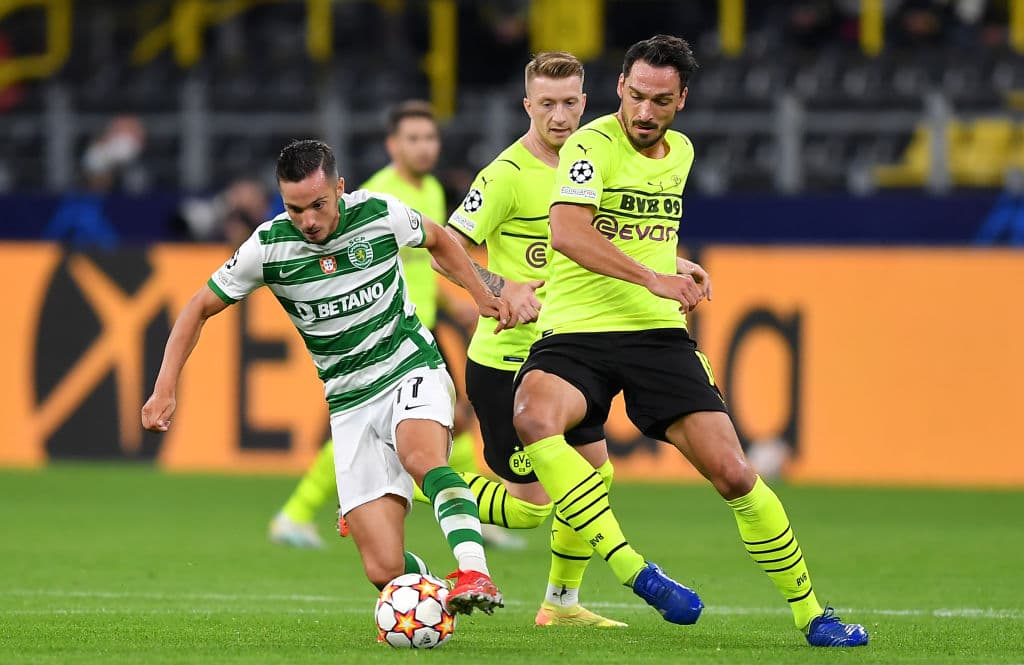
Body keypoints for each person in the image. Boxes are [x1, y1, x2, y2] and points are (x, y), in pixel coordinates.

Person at [510, 35, 869, 647]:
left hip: (655, 336)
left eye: (662, 101)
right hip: (576, 332)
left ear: (683, 100)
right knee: (533, 416)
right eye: (638, 96)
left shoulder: (681, 153)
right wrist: (655, 276)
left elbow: (627, 226)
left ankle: (813, 614)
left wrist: (670, 261)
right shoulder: (590, 144)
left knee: (733, 473)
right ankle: (632, 570)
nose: (646, 113)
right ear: (620, 87)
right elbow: (570, 232)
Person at [142, 139, 510, 614]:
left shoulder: (380, 214)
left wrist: (481, 294)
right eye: (295, 209)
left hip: (409, 366)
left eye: (318, 204)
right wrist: (164, 387)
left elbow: (438, 238)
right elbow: (198, 307)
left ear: (339, 188)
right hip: (350, 404)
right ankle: (435, 592)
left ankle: (474, 568)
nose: (309, 220)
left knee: (421, 455)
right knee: (382, 568)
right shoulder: (268, 247)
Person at [267, 102, 520, 549]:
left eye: (430, 138)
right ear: (392, 145)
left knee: (451, 422)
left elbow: (428, 259)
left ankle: (468, 512)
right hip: (386, 334)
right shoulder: (380, 194)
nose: (424, 148)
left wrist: (456, 301)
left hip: (421, 325)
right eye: (413, 139)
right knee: (402, 426)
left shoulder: (432, 191)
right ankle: (305, 509)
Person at [435, 51, 628, 628]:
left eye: (570, 103)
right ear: (527, 106)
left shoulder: (595, 163)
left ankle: (560, 605)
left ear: (586, 103)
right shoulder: (505, 176)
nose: (560, 115)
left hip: (570, 356)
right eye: (547, 104)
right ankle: (418, 479)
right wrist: (499, 286)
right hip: (506, 361)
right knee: (528, 511)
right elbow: (445, 247)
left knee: (594, 474)